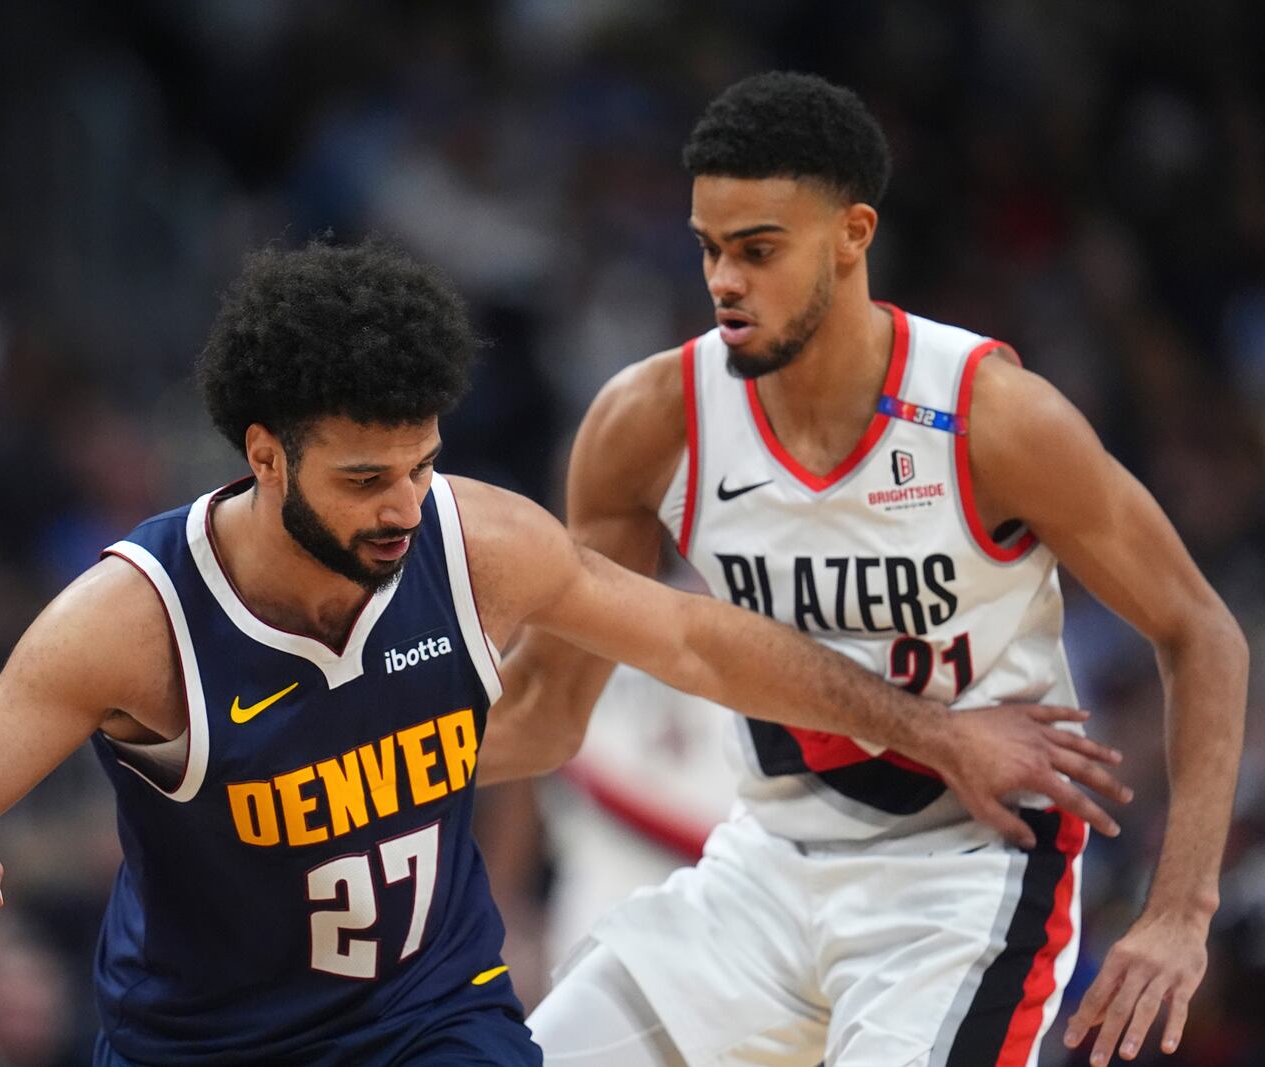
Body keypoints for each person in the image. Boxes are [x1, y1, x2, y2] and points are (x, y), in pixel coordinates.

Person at [0, 241, 1124, 1067]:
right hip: (200, 1039)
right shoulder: (138, 615)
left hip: (432, 1017)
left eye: (422, 464)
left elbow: (699, 638)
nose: (404, 504)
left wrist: (933, 724)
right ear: (266, 456)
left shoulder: (477, 541)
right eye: (368, 476)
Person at [478, 72, 1248, 1067]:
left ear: (852, 234)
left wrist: (1179, 908)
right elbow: (547, 710)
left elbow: (1200, 628)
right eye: (711, 249)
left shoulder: (992, 416)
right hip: (757, 869)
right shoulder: (648, 421)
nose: (725, 283)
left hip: (965, 879)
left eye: (759, 251)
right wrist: (331, 765)